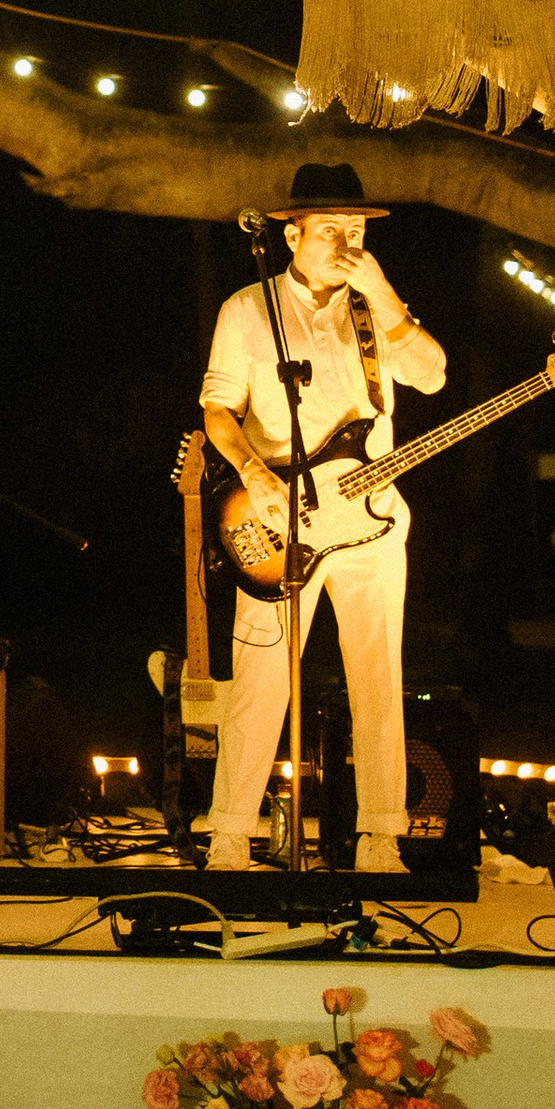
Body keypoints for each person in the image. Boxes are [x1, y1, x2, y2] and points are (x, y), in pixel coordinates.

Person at [197, 160, 446, 876]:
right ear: (291, 233)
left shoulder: (375, 310)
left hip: (371, 522)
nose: (346, 241)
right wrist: (251, 471)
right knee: (262, 680)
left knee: (378, 677)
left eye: (356, 229)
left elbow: (431, 374)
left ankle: (380, 835)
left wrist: (385, 295)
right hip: (279, 519)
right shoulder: (248, 309)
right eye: (331, 229)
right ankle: (231, 834)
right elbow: (218, 409)